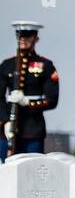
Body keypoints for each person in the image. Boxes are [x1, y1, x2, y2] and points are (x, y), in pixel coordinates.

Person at [2, 21, 59, 158]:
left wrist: (28, 103)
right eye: (20, 36)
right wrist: (5, 121)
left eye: (27, 36)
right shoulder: (7, 65)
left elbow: (52, 99)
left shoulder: (45, 65)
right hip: (9, 128)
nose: (23, 39)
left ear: (35, 38)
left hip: (32, 129)